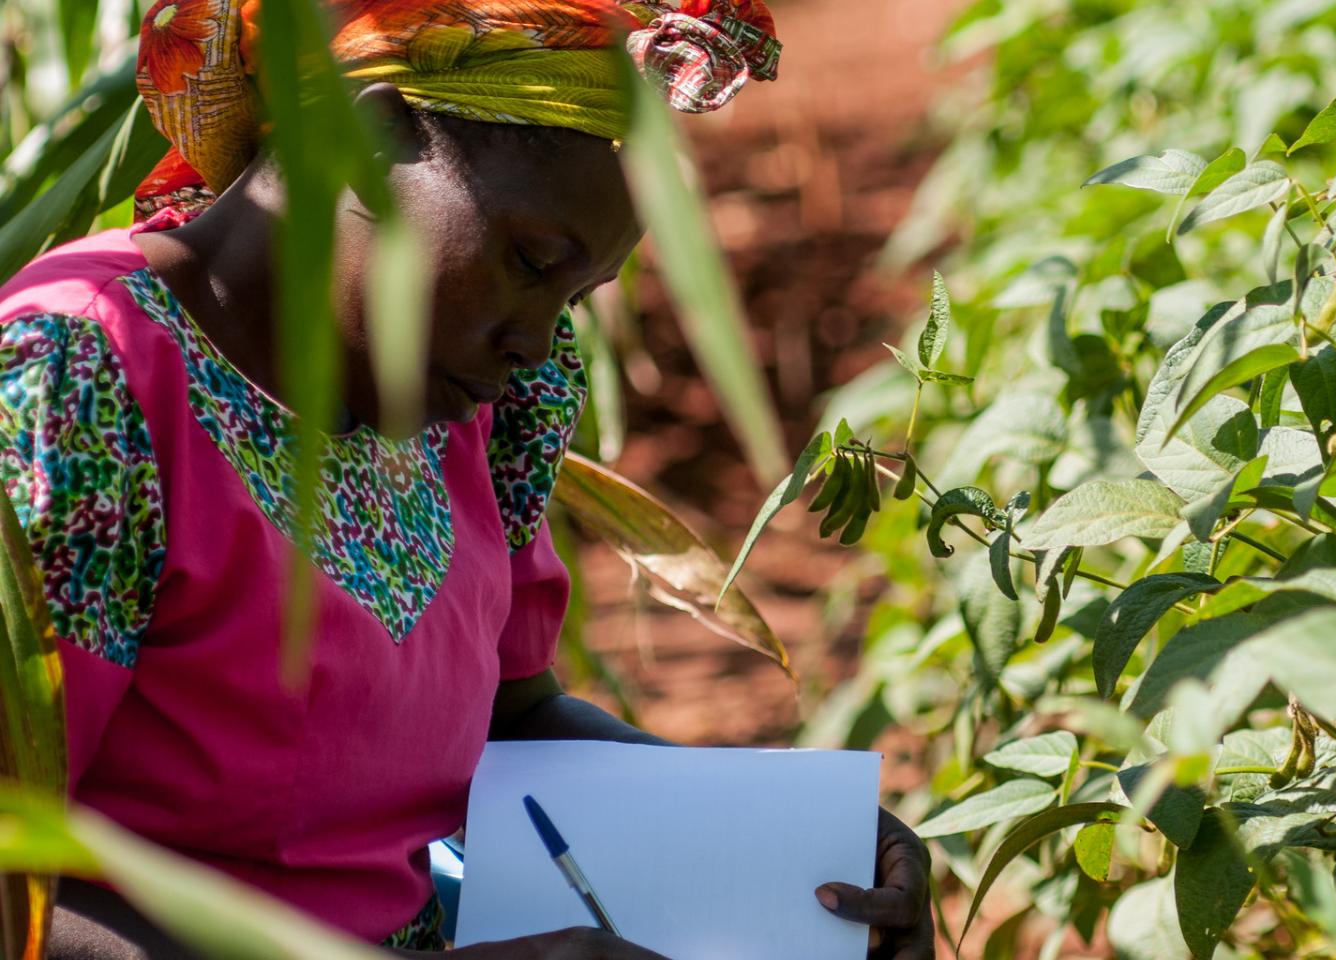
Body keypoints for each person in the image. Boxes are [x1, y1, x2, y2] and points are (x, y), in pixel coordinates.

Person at [0, 1, 935, 956]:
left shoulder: (463, 398)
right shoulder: (78, 384)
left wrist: (796, 841)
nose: (536, 341)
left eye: (575, 295)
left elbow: (513, 719)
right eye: (529, 262)